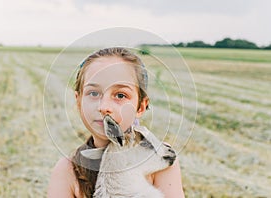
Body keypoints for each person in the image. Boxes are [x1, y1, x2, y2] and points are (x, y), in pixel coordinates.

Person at [47, 47, 185, 198]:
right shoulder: (67, 170)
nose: (104, 107)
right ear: (78, 101)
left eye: (120, 95)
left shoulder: (160, 157)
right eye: (94, 93)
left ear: (141, 106)